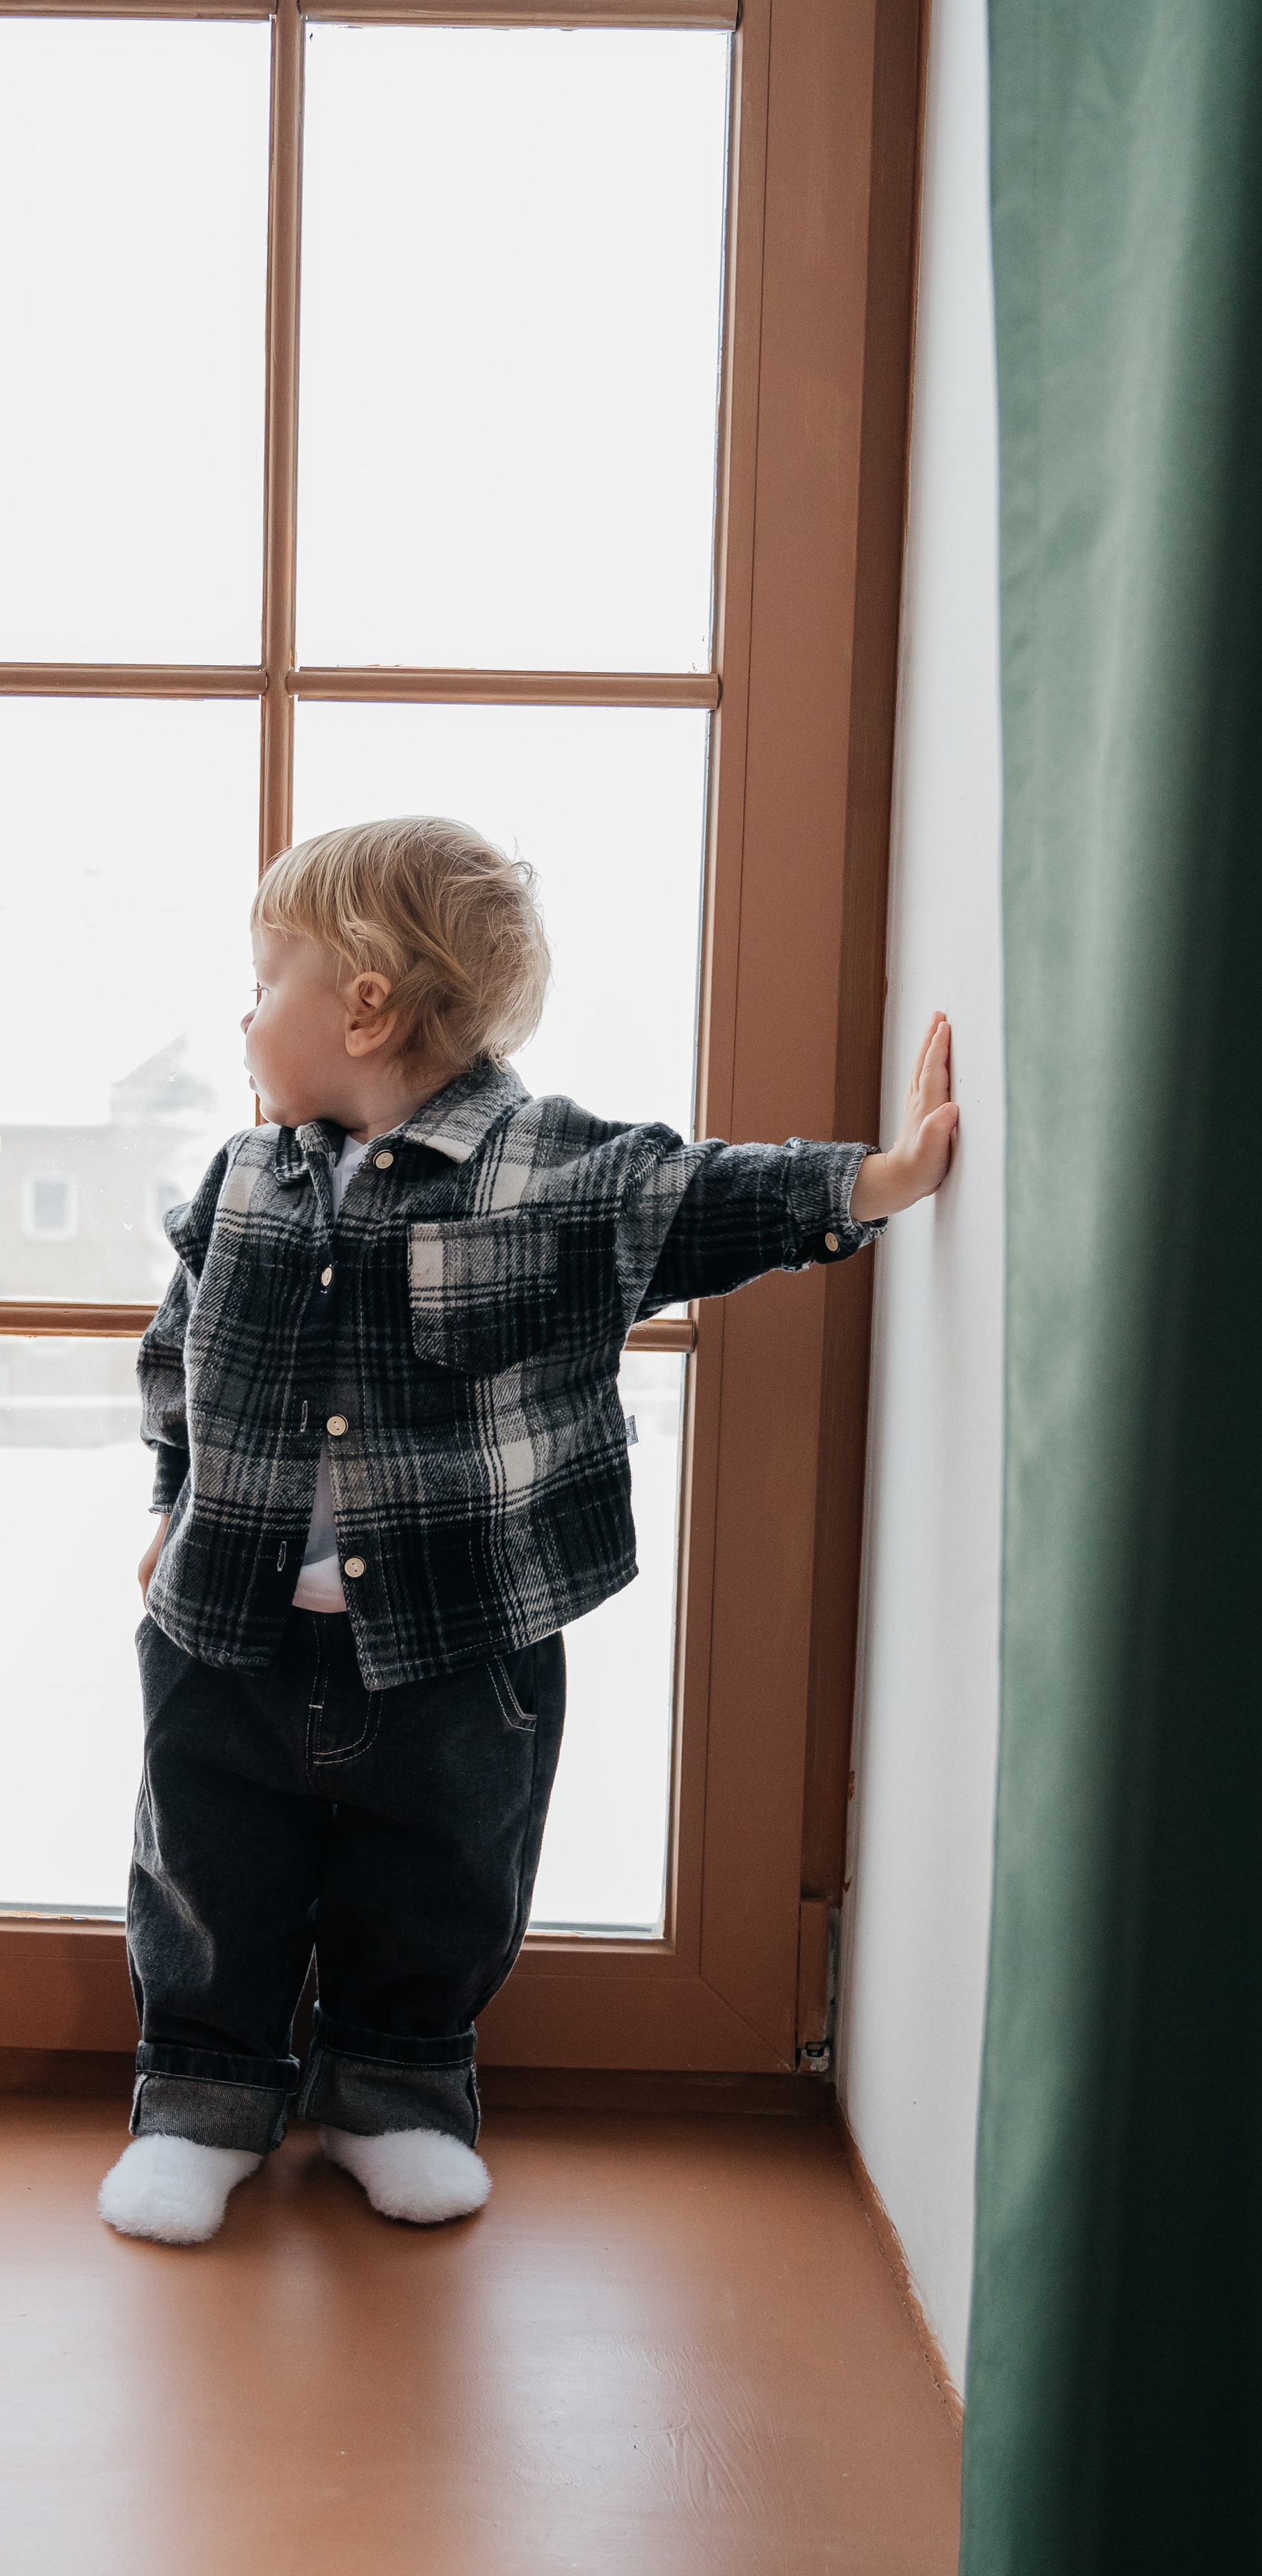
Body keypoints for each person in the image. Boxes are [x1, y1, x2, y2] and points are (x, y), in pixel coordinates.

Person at [99, 817, 957, 2245]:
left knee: (438, 1874)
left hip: (454, 1646)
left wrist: (870, 1184)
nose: (243, 1012)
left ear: (363, 1003)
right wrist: (169, 1497)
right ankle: (200, 2094)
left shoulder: (550, 1172)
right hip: (228, 1631)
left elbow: (701, 1196)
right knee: (204, 1871)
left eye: (266, 978)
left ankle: (396, 2092)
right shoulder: (238, 1181)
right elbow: (175, 1351)